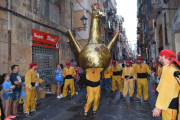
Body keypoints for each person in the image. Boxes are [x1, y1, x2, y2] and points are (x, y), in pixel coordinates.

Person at [152, 50, 180, 120]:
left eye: (159, 57)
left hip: (170, 106)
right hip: (171, 105)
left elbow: (166, 90)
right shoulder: (173, 68)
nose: (158, 59)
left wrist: (158, 107)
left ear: (164, 57)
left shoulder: (169, 70)